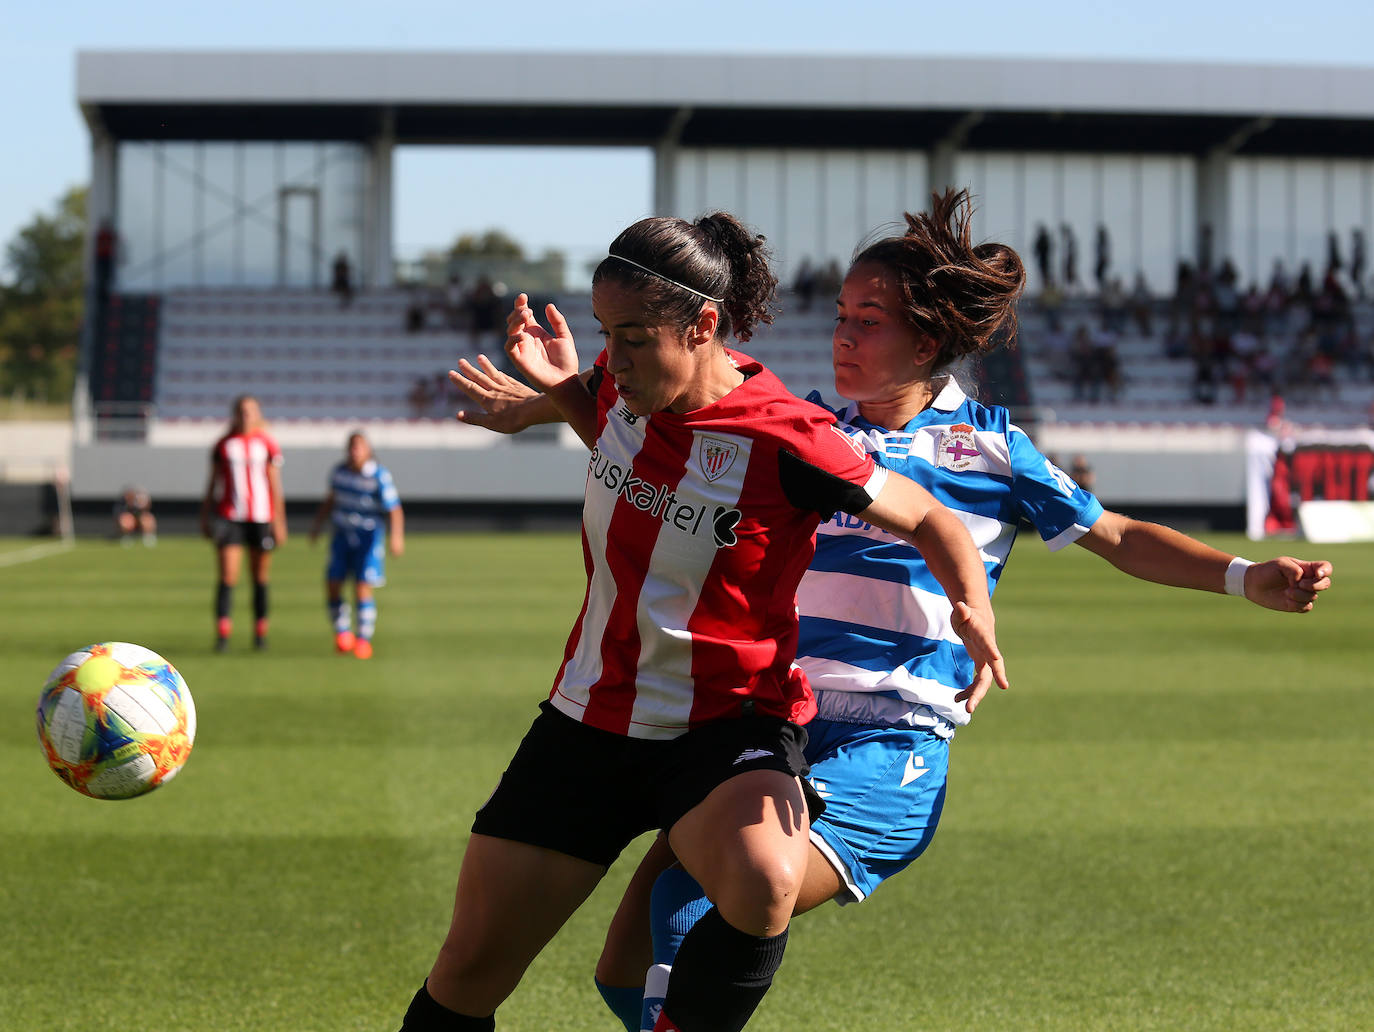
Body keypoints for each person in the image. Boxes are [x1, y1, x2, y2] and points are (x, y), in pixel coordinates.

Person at [450, 190, 1335, 1032]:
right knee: (623, 968)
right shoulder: (806, 431)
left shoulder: (990, 446)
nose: (842, 336)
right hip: (765, 728)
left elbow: (1119, 535)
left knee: (703, 904)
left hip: (887, 742)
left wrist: (1243, 575)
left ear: (930, 341)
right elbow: (655, 459)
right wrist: (547, 402)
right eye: (839, 315)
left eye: (867, 322)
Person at [398, 211, 1010, 1032]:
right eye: (605, 335)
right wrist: (551, 395)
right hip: (590, 720)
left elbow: (931, 519)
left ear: (705, 325)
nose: (613, 358)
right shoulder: (624, 387)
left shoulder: (792, 437)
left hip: (725, 725)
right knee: (467, 975)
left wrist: (972, 605)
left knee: (765, 881)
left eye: (634, 337)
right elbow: (617, 433)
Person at [198, 395, 286, 651]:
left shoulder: (267, 444)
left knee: (260, 577)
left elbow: (274, 484)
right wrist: (205, 515)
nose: (246, 415)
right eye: (242, 411)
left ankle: (260, 634)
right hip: (229, 516)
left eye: (251, 411)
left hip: (261, 517)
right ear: (235, 414)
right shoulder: (224, 445)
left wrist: (280, 520)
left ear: (258, 414)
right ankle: (223, 634)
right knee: (227, 576)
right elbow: (213, 482)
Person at [307, 431, 404, 660]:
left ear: (367, 450)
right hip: (342, 534)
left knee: (362, 586)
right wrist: (317, 526)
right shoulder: (339, 473)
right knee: (333, 583)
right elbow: (330, 500)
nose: (354, 451)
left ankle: (363, 640)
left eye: (359, 446)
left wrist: (396, 537)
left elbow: (394, 509)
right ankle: (342, 633)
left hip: (368, 537)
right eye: (351, 446)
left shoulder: (378, 475)